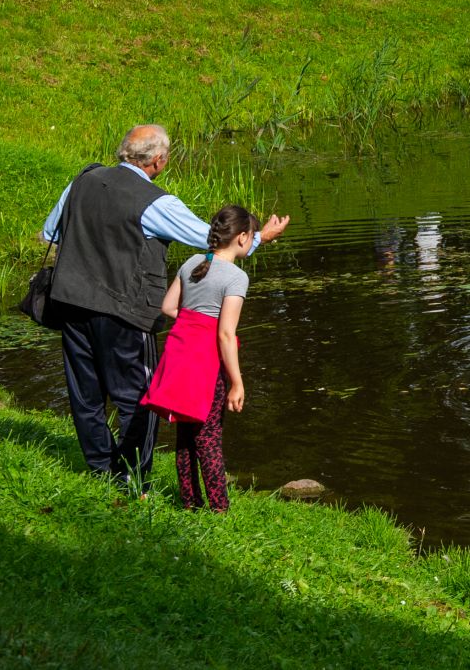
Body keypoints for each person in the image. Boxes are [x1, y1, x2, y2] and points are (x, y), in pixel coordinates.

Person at [39, 125, 288, 490]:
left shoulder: (82, 181)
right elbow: (212, 240)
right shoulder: (156, 202)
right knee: (139, 397)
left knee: (85, 394)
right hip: (124, 311)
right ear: (158, 161)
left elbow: (51, 231)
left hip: (71, 302)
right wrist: (257, 240)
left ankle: (100, 472)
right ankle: (131, 476)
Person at [140, 206, 258, 512]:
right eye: (253, 235)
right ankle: (219, 508)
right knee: (209, 436)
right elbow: (225, 335)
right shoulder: (236, 277)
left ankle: (190, 502)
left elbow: (167, 308)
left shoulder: (193, 262)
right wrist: (237, 382)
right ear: (243, 237)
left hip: (179, 355)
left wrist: (194, 322)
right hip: (205, 362)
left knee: (185, 432)